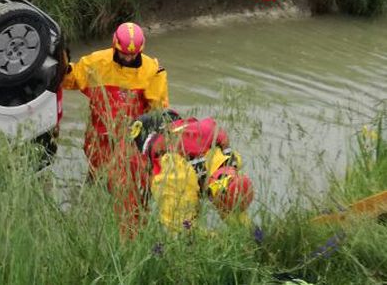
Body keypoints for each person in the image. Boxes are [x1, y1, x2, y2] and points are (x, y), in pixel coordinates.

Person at [61, 22, 169, 228]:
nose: (128, 58)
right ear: (114, 46)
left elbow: (158, 112)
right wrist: (62, 65)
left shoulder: (152, 71)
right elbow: (72, 79)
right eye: (123, 54)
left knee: (126, 189)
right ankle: (88, 212)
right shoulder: (96, 63)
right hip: (98, 138)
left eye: (133, 54)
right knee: (96, 176)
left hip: (130, 143)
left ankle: (127, 222)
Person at [133, 115, 254, 231]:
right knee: (136, 218)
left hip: (171, 124)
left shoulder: (231, 160)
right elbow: (183, 231)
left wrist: (253, 235)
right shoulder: (181, 175)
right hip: (138, 144)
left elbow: (236, 213)